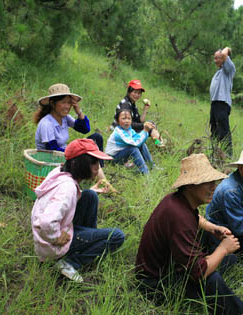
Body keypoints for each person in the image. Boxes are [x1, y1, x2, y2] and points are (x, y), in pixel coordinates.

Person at [136, 153, 243, 315]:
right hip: (155, 284)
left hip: (170, 263)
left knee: (228, 257)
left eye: (214, 182)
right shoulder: (181, 219)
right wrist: (223, 249)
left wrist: (212, 228)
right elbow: (199, 274)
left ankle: (207, 260)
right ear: (190, 185)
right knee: (212, 278)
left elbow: (196, 217)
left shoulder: (176, 200)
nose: (214, 187)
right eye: (207, 183)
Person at [31, 139, 125, 282]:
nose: (98, 168)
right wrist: (56, 237)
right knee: (117, 236)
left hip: (47, 235)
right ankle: (70, 261)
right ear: (81, 163)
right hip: (51, 245)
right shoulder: (67, 188)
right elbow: (46, 222)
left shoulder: (60, 172)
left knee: (90, 196)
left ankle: (84, 244)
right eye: (94, 163)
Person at [34, 83, 113, 192]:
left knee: (96, 138)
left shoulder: (65, 117)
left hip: (63, 153)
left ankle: (98, 174)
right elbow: (51, 149)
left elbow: (84, 129)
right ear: (53, 103)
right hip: (51, 158)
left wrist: (78, 112)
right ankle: (105, 183)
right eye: (63, 102)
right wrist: (75, 151)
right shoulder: (47, 123)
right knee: (86, 152)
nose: (67, 106)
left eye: (69, 103)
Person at [112, 79, 164, 147]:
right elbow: (127, 124)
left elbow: (139, 120)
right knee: (150, 126)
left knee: (150, 124)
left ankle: (160, 143)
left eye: (139, 93)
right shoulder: (125, 105)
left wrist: (145, 109)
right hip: (123, 131)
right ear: (129, 92)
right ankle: (160, 144)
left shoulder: (133, 104)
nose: (137, 95)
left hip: (129, 128)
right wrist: (145, 126)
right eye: (135, 92)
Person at [105, 108, 155, 174]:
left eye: (129, 118)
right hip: (112, 159)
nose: (127, 121)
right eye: (123, 118)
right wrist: (145, 130)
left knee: (142, 145)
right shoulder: (119, 132)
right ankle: (145, 172)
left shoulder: (130, 130)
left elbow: (138, 138)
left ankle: (151, 166)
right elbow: (135, 143)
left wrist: (146, 130)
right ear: (117, 121)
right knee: (132, 149)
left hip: (121, 154)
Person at [209, 47, 235, 157]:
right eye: (214, 58)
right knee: (214, 130)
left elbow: (225, 54)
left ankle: (228, 155)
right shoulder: (219, 71)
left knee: (223, 129)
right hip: (215, 103)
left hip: (222, 103)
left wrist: (226, 49)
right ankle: (215, 152)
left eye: (218, 58)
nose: (216, 60)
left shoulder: (228, 69)